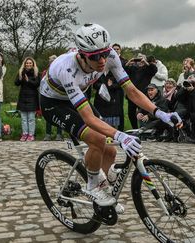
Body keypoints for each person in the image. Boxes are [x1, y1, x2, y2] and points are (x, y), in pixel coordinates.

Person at [39, 23, 181, 209]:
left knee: (111, 150)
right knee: (98, 139)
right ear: (82, 55)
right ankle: (92, 187)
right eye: (95, 56)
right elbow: (89, 119)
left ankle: (101, 191)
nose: (102, 60)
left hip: (76, 97)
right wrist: (121, 136)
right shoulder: (66, 68)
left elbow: (131, 90)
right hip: (54, 104)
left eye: (105, 53)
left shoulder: (110, 56)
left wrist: (160, 113)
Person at [124, 53, 157, 129]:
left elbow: (154, 69)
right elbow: (123, 70)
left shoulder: (147, 69)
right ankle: (135, 129)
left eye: (142, 58)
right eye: (138, 59)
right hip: (132, 94)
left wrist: (146, 62)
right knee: (131, 113)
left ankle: (143, 128)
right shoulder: (132, 68)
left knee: (142, 112)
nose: (140, 60)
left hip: (143, 95)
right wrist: (129, 62)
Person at [15, 57, 40, 142]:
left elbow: (37, 84)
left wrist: (28, 80)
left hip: (32, 98)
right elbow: (16, 83)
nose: (28, 64)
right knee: (23, 118)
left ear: (33, 64)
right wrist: (20, 78)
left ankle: (31, 135)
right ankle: (24, 134)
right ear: (24, 64)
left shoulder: (36, 73)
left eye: (30, 63)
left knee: (31, 118)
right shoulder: (21, 72)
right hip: (23, 97)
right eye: (27, 63)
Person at [42, 55, 63, 141]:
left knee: (60, 116)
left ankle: (59, 134)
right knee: (48, 115)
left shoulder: (62, 71)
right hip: (48, 96)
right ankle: (48, 134)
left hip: (59, 96)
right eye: (51, 62)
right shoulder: (45, 72)